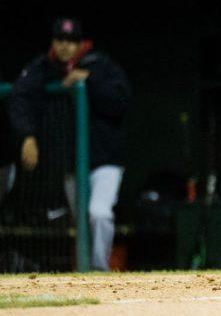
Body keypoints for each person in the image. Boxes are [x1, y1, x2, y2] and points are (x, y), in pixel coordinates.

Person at [8, 18, 132, 270]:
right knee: (82, 224)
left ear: (80, 43)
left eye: (71, 41)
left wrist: (88, 81)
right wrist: (27, 136)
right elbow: (18, 95)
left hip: (105, 162)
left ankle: (99, 270)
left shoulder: (99, 64)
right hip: (71, 163)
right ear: (53, 42)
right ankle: (87, 271)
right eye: (60, 40)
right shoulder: (44, 67)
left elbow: (121, 102)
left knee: (99, 213)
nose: (65, 46)